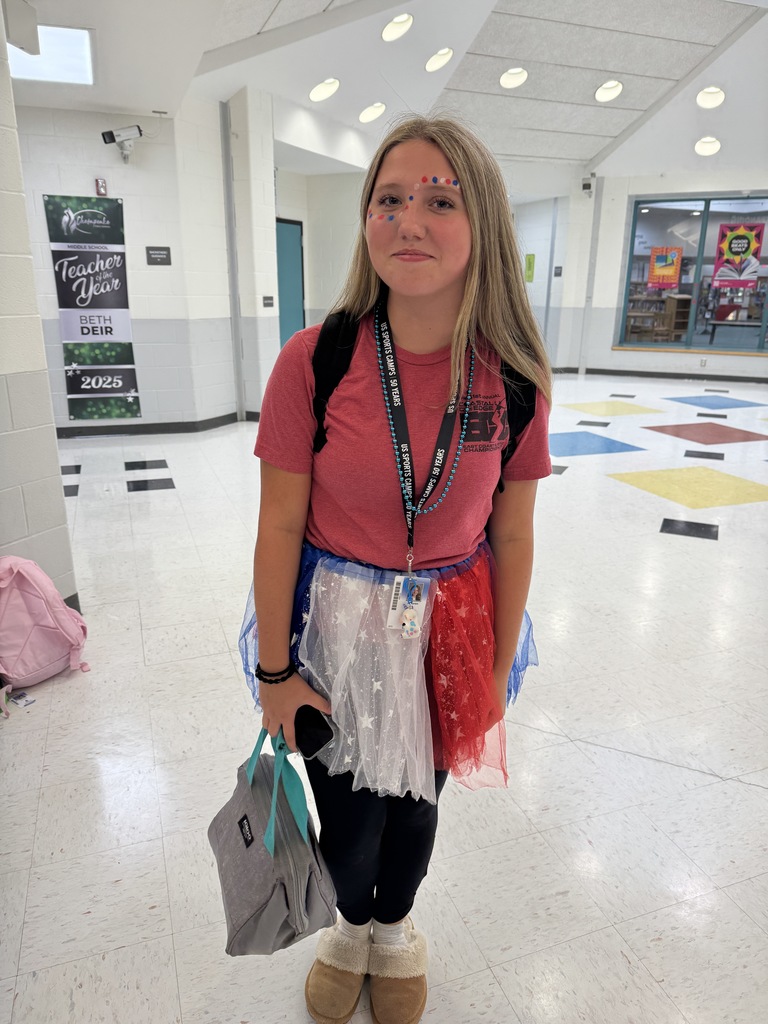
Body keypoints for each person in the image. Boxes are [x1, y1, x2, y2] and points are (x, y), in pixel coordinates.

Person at [248, 116, 552, 1024]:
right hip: (331, 627)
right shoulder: (317, 359)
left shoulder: (517, 376)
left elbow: (515, 536)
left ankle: (397, 927)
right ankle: (352, 920)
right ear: (365, 220)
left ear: (482, 223)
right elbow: (277, 523)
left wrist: (494, 674)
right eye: (389, 198)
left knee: (417, 807)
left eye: (439, 199)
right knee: (347, 817)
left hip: (453, 626)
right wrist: (274, 672)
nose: (409, 219)